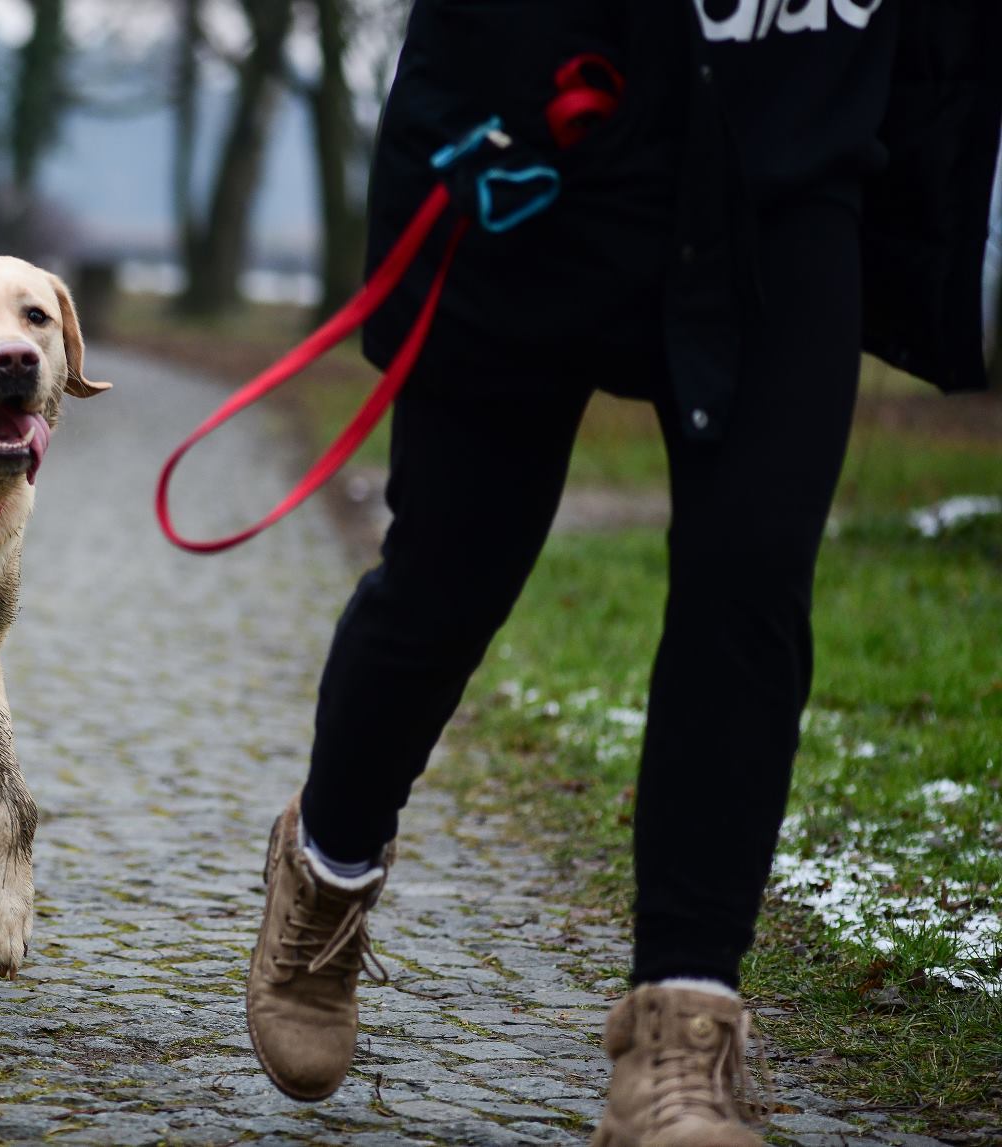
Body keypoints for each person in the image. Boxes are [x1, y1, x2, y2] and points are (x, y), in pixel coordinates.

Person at [242, 3, 1002, 1144]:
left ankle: (681, 1044)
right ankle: (327, 866)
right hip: (538, 150)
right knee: (450, 576)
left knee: (748, 584)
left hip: (783, 170)